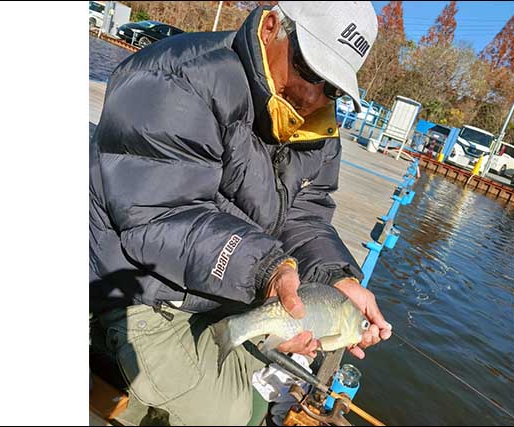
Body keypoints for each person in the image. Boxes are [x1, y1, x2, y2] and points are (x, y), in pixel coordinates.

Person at [89, 2, 391, 425]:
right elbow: (158, 217)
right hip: (136, 287)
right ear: (271, 27)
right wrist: (266, 268)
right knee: (230, 416)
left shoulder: (319, 128)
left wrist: (335, 276)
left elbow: (305, 217)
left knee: (257, 397)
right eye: (309, 69)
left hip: (219, 288)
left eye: (334, 87)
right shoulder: (175, 79)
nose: (314, 96)